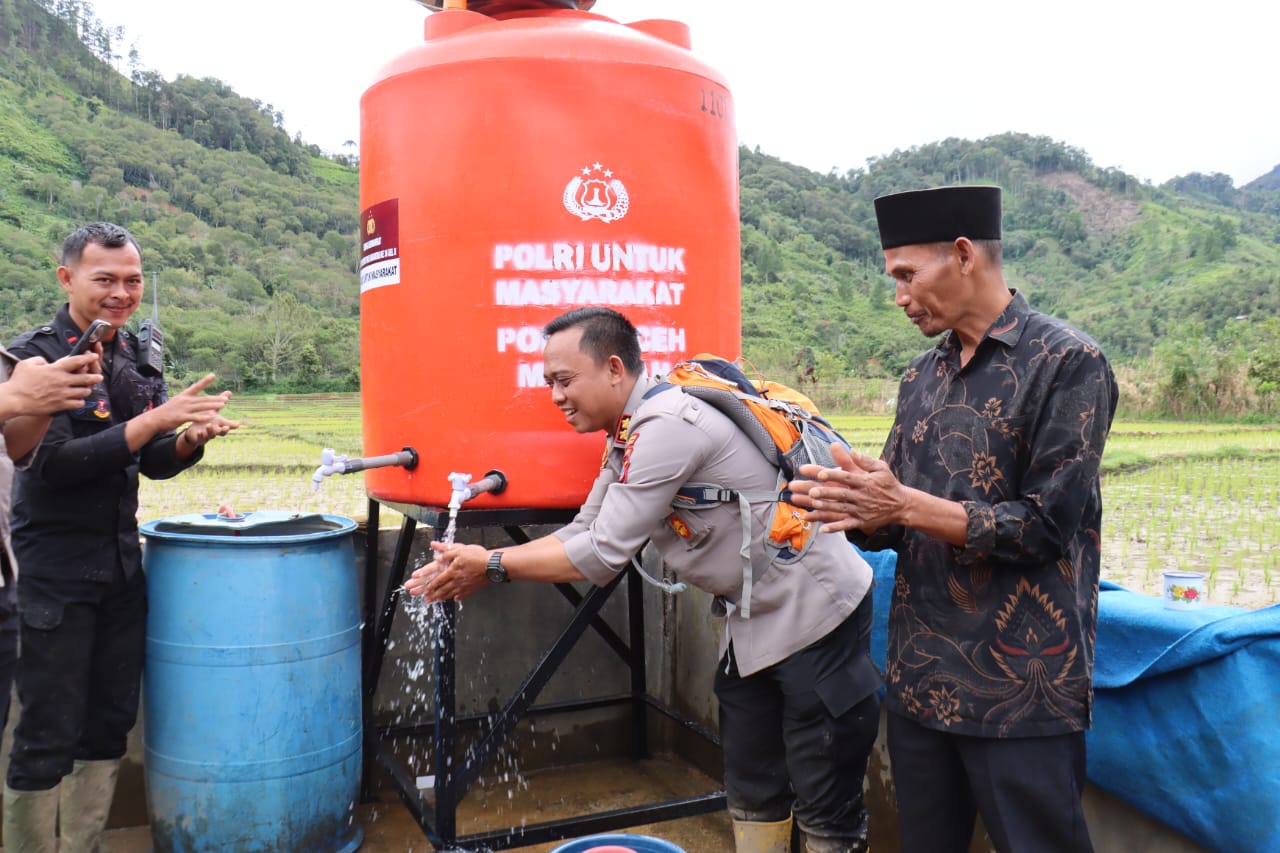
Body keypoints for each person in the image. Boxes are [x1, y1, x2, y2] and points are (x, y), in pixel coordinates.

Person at [405, 307, 881, 853]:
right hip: (752, 622)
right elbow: (587, 528)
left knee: (823, 795)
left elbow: (603, 553)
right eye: (548, 383)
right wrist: (488, 563)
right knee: (753, 781)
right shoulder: (628, 433)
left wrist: (491, 566)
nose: (556, 396)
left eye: (564, 380)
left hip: (816, 611)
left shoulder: (668, 426)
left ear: (613, 368)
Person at [790, 186, 1119, 853]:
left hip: (1020, 689)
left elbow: (1042, 527)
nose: (900, 295)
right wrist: (848, 500)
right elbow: (890, 516)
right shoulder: (923, 376)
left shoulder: (1066, 363)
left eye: (906, 275)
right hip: (921, 681)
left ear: (963, 255)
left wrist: (901, 503)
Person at [2, 222, 240, 853]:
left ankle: (84, 845)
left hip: (119, 566)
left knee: (109, 722)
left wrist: (185, 439)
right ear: (67, 278)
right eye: (104, 279)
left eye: (131, 280)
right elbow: (52, 465)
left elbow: (149, 461)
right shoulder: (32, 362)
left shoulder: (136, 357)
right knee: (47, 729)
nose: (121, 292)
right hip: (53, 574)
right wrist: (155, 422)